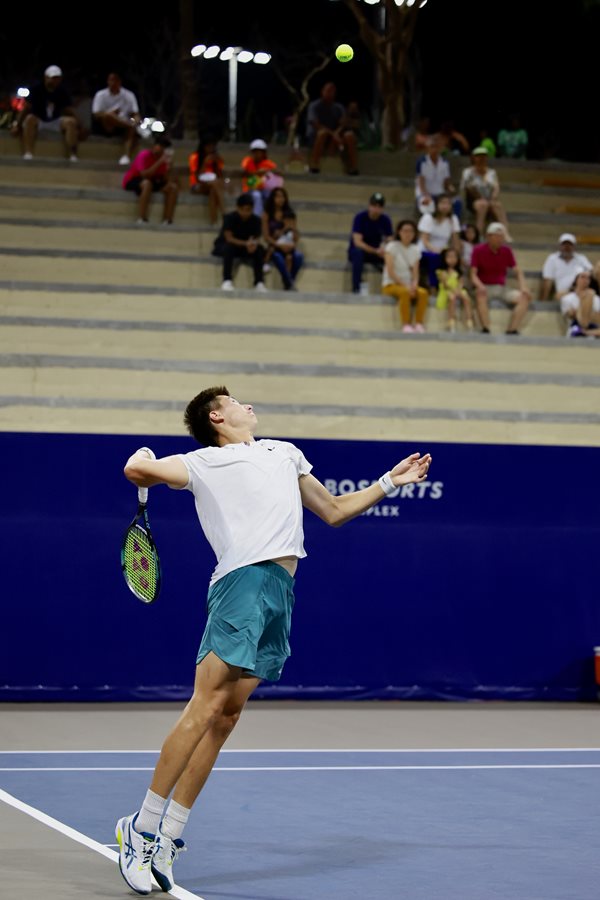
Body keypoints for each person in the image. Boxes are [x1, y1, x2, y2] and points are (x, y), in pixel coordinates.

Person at [115, 386, 432, 895]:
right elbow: (137, 471)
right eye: (234, 402)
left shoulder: (285, 453)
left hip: (281, 589)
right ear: (216, 417)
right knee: (204, 706)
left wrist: (389, 482)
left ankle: (170, 835)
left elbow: (333, 510)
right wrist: (143, 458)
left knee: (226, 717)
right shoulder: (203, 462)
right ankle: (142, 827)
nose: (246, 405)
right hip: (240, 585)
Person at [470, 223, 531, 335]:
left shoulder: (506, 251)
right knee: (480, 294)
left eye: (502, 237)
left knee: (525, 297)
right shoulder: (478, 250)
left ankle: (512, 329)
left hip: (502, 288)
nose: (500, 240)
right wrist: (480, 285)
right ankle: (486, 328)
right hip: (485, 286)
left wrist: (523, 287)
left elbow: (518, 271)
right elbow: (473, 274)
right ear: (489, 237)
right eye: (497, 237)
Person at [11, 65, 79, 161]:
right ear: (46, 77)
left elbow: (69, 109)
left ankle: (72, 155)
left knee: (71, 122)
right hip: (39, 119)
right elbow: (26, 108)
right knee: (29, 119)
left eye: (57, 78)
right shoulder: (36, 89)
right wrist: (17, 125)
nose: (54, 81)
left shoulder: (62, 91)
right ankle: (28, 153)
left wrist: (80, 126)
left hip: (55, 120)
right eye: (52, 78)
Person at [382, 219, 429, 333]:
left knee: (423, 293)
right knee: (405, 293)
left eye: (411, 231)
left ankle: (419, 323)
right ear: (399, 232)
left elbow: (415, 272)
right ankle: (406, 324)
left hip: (408, 284)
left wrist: (414, 284)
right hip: (391, 284)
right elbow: (390, 271)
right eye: (405, 231)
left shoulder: (415, 249)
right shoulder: (391, 246)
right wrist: (406, 286)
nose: (408, 234)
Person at [214, 193, 266, 292]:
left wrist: (253, 244)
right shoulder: (229, 218)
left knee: (259, 250)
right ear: (238, 208)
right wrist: (245, 243)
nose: (245, 213)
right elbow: (229, 238)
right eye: (243, 210)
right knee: (229, 248)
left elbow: (256, 238)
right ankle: (227, 280)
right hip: (228, 246)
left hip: (245, 247)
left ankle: (259, 282)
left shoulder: (256, 220)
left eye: (248, 210)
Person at [122, 136, 179, 224]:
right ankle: (142, 218)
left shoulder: (165, 160)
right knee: (147, 184)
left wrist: (169, 167)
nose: (162, 149)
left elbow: (165, 179)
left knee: (173, 187)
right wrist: (159, 162)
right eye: (160, 146)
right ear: (154, 146)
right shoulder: (144, 155)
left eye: (164, 147)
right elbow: (144, 175)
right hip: (135, 180)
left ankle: (167, 220)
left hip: (153, 180)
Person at [307, 82, 359, 175]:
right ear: (322, 92)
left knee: (349, 135)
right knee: (322, 133)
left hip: (335, 136)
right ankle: (314, 165)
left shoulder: (339, 107)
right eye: (327, 91)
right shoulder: (314, 105)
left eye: (332, 92)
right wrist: (333, 134)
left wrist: (336, 135)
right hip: (318, 136)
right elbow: (315, 124)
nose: (329, 94)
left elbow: (343, 124)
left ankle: (353, 167)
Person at [460, 147, 511, 240]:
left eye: (484, 156)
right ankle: (478, 233)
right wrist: (480, 198)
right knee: (482, 205)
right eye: (479, 156)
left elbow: (496, 187)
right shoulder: (467, 172)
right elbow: (469, 188)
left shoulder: (492, 172)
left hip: (490, 199)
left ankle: (505, 232)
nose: (481, 159)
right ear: (474, 158)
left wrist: (493, 197)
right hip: (473, 200)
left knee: (497, 205)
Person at [348, 192, 393, 294]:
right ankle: (356, 288)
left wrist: (384, 249)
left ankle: (391, 286)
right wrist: (375, 251)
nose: (376, 209)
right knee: (357, 253)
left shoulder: (385, 220)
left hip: (377, 252)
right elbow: (358, 242)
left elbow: (390, 239)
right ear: (369, 206)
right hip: (362, 251)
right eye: (374, 206)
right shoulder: (360, 217)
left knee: (391, 255)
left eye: (379, 207)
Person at [91, 72, 140, 165]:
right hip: (106, 125)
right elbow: (96, 114)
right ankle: (128, 125)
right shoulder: (100, 95)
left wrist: (136, 121)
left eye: (115, 80)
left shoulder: (129, 95)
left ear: (119, 81)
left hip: (123, 127)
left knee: (131, 129)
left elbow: (135, 113)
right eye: (111, 80)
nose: (112, 83)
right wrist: (112, 115)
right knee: (109, 116)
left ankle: (126, 156)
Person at [262, 187, 304, 290]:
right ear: (273, 198)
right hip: (274, 246)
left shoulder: (290, 214)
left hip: (288, 245)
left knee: (298, 257)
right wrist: (279, 245)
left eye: (282, 197)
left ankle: (288, 283)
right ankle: (289, 284)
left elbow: (294, 235)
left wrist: (293, 243)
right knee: (279, 258)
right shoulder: (266, 215)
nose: (280, 199)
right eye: (278, 196)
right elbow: (266, 237)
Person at [417, 194, 461, 289]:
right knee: (435, 258)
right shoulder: (428, 218)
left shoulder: (453, 219)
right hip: (425, 251)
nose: (445, 206)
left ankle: (454, 286)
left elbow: (455, 239)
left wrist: (456, 253)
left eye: (448, 204)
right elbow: (425, 241)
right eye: (443, 203)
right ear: (436, 204)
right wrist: (438, 251)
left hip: (443, 251)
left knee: (453, 258)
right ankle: (433, 286)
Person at [415, 136, 462, 219]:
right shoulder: (421, 162)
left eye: (437, 147)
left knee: (457, 201)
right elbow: (421, 183)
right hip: (425, 193)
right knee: (427, 204)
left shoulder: (444, 163)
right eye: (432, 147)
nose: (435, 150)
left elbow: (447, 182)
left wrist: (451, 189)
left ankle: (453, 223)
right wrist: (426, 195)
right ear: (427, 148)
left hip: (440, 193)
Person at [540, 233, 592, 301]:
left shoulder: (581, 258)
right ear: (560, 246)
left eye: (570, 244)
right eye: (564, 244)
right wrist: (543, 301)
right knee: (560, 295)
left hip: (581, 291)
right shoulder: (552, 259)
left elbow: (591, 273)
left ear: (574, 246)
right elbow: (547, 280)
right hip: (564, 293)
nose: (567, 247)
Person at [189, 136, 226, 225]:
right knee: (214, 184)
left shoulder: (215, 158)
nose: (211, 148)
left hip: (212, 185)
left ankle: (214, 222)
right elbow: (197, 177)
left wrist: (217, 162)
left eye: (213, 146)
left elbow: (220, 176)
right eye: (209, 146)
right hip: (197, 186)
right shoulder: (195, 157)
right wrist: (205, 163)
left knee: (213, 191)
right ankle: (224, 212)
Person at [436, 247, 474, 332]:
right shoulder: (441, 272)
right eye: (449, 257)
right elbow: (445, 284)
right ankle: (451, 320)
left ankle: (469, 320)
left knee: (466, 297)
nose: (452, 259)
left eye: (454, 257)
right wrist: (454, 291)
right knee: (452, 297)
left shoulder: (459, 272)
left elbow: (461, 283)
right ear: (444, 258)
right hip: (447, 290)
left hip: (458, 289)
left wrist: (458, 290)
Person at [240, 139, 282, 216]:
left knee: (271, 195)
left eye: (260, 152)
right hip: (250, 188)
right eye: (255, 152)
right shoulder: (247, 161)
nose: (257, 154)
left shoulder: (268, 163)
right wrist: (257, 173)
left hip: (263, 188)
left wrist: (268, 171)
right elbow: (242, 173)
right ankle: (257, 218)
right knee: (257, 196)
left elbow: (278, 172)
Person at [560, 271, 600, 338]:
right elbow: (571, 315)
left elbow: (598, 317)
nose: (585, 280)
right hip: (575, 328)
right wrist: (584, 302)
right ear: (576, 280)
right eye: (582, 277)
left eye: (588, 278)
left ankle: (587, 332)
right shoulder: (567, 299)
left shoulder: (596, 299)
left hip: (593, 329)